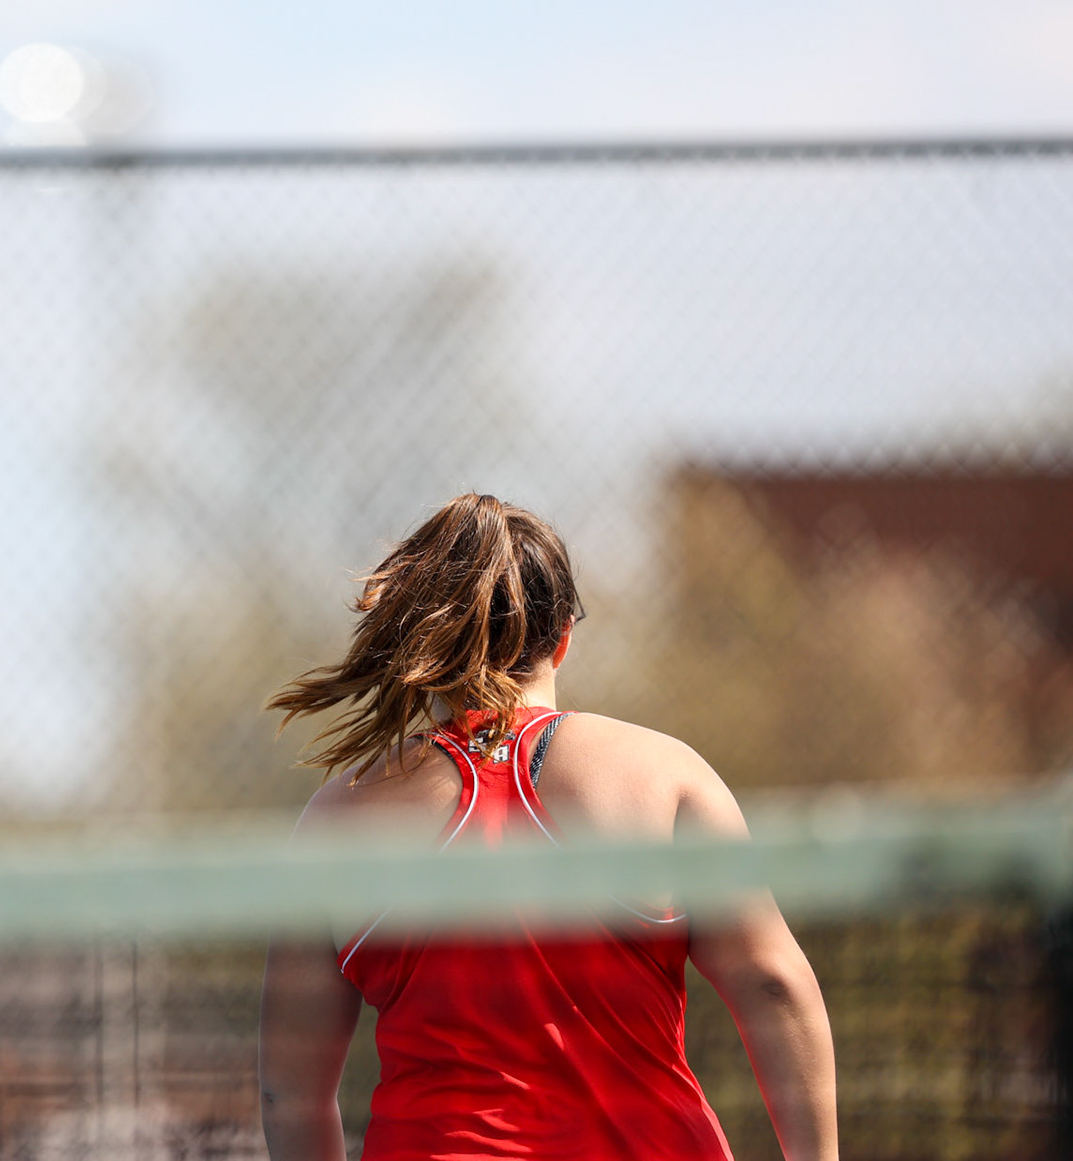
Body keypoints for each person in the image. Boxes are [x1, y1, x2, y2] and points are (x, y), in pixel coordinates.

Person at [257, 493, 836, 1161]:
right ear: (562, 637)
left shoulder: (339, 817)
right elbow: (774, 984)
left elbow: (288, 1093)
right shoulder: (665, 774)